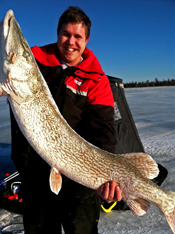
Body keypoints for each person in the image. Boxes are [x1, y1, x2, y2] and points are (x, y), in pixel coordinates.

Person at [10, 6, 122, 234]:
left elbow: (103, 131)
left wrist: (109, 177)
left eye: (77, 36)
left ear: (86, 40)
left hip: (79, 179)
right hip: (34, 172)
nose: (71, 42)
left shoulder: (96, 80)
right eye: (66, 34)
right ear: (58, 33)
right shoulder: (35, 62)